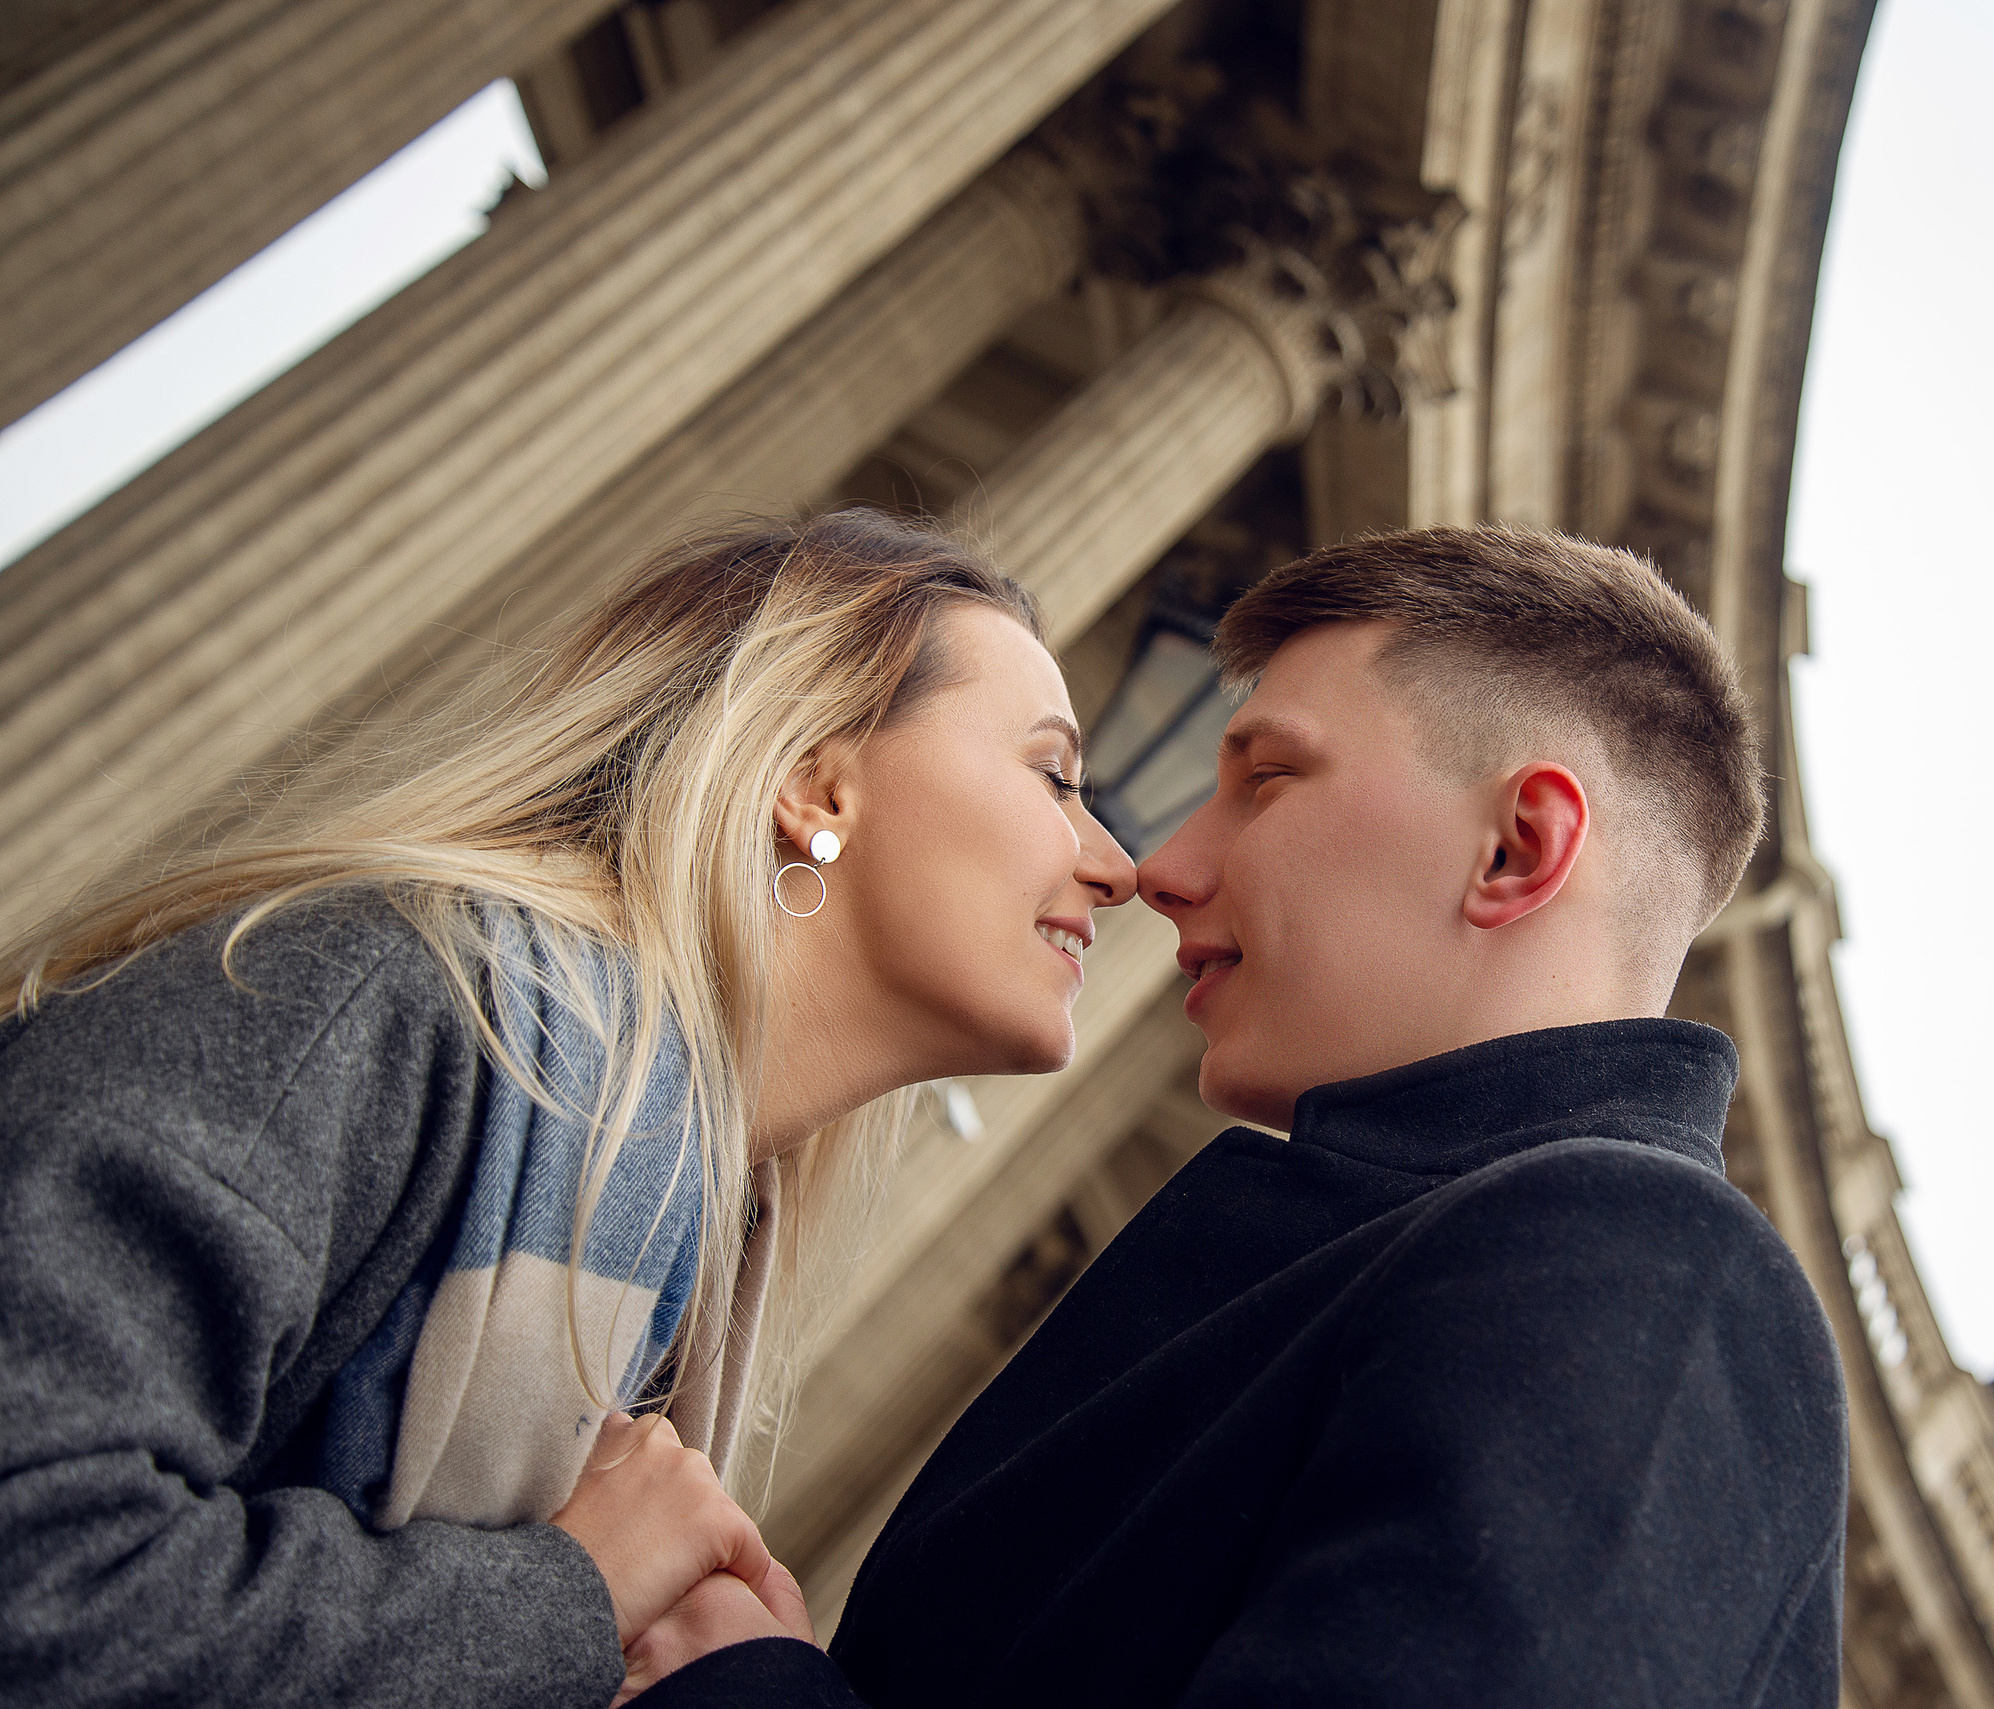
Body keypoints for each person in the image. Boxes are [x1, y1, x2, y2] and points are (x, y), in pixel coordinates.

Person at [630, 525, 1850, 1707]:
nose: (1156, 865)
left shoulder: (1645, 1275)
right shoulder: (1531, 1262)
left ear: (1517, 849)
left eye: (1265, 778)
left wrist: (736, 1684)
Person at [0, 510, 1137, 1708]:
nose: (1115, 861)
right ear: (814, 779)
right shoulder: (389, 1001)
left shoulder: (675, 1262)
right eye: (1054, 776)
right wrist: (573, 1593)